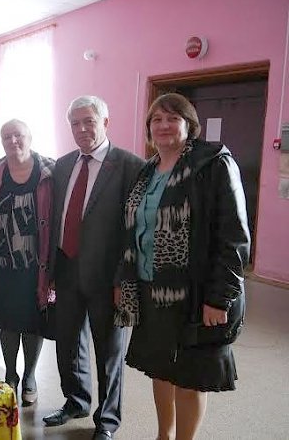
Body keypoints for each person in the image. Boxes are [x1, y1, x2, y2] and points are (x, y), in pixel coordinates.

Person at [114, 93, 250, 440]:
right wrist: (123, 279)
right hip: (150, 288)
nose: (163, 125)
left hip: (195, 293)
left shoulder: (213, 165)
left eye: (172, 118)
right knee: (160, 369)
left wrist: (219, 299)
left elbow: (234, 236)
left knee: (190, 375)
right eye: (156, 119)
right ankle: (164, 435)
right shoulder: (146, 172)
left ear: (189, 125)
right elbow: (132, 233)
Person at [44, 95, 144, 440]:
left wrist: (124, 278)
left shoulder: (130, 166)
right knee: (68, 344)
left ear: (105, 122)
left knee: (109, 352)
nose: (82, 129)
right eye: (75, 123)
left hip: (108, 277)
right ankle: (76, 401)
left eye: (89, 121)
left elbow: (136, 230)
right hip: (67, 270)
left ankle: (108, 420)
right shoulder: (62, 165)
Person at [0, 119, 55, 406]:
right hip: (2, 264)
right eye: (7, 136)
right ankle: (10, 373)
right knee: (8, 323)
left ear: (30, 137)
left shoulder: (49, 171)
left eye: (18, 135)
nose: (13, 141)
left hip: (37, 265)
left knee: (33, 323)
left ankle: (29, 376)